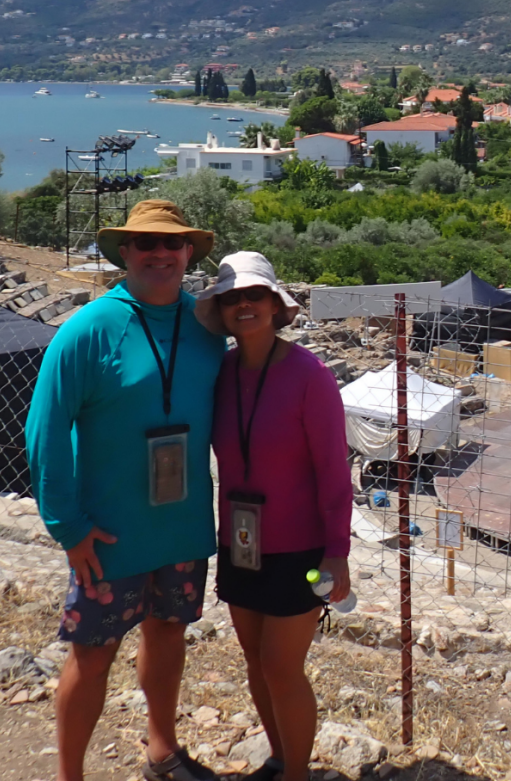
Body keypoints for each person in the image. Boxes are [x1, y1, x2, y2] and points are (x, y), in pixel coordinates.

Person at [26, 200, 228, 781]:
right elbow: (45, 430)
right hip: (109, 533)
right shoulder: (87, 330)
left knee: (168, 636)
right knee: (91, 658)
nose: (160, 254)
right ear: (125, 253)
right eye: (145, 244)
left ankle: (162, 752)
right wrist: (67, 527)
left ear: (190, 251)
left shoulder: (207, 326)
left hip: (182, 527)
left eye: (172, 244)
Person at [194, 252, 352, 781]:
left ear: (274, 304)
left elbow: (333, 470)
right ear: (221, 309)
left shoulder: (311, 376)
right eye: (233, 297)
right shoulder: (220, 373)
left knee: (283, 668)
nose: (244, 305)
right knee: (257, 665)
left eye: (253, 295)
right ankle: (283, 759)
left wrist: (338, 554)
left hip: (301, 551)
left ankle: (296, 773)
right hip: (241, 544)